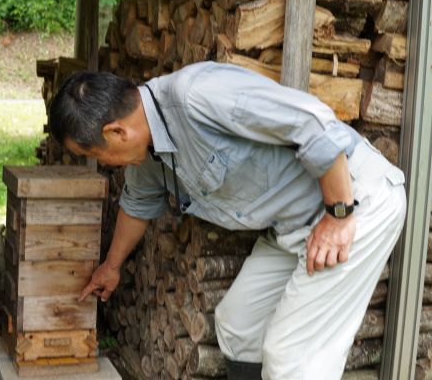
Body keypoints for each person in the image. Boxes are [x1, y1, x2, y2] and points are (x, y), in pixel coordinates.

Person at [48, 61, 406, 380]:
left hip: (356, 204)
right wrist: (111, 266)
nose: (105, 164)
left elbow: (311, 122)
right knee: (238, 326)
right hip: (296, 227)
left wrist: (339, 213)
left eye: (95, 155)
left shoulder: (197, 95)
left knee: (292, 359)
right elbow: (138, 203)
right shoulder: (147, 151)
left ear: (116, 132)